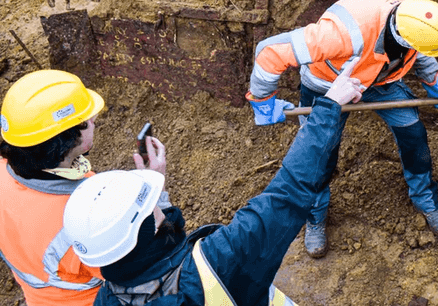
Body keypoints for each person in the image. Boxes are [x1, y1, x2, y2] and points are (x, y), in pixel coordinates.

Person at [62, 61, 366, 305]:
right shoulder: (222, 260)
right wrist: (329, 106)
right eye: (150, 205)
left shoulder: (105, 298)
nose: (158, 204)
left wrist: (157, 189)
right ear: (146, 230)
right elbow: (289, 191)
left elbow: (160, 257)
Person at [245, 0, 438, 258]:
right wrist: (263, 101)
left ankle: (425, 200)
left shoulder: (418, 10)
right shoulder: (341, 35)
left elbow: (421, 48)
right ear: (403, 36)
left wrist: (434, 82)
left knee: (413, 134)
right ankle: (315, 216)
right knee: (320, 152)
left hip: (382, 79)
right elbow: (270, 52)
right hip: (328, 84)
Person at [0, 69, 167, 306]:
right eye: (87, 120)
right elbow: (149, 260)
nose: (94, 121)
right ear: (68, 137)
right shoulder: (81, 217)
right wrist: (154, 192)